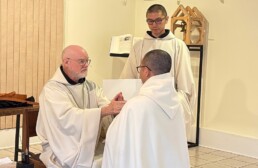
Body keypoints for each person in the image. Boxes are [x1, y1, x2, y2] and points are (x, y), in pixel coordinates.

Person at [36, 45, 126, 168]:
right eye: (81, 61)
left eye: (87, 61)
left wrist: (114, 107)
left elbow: (103, 103)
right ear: (66, 62)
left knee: (119, 153)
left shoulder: (90, 86)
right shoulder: (52, 90)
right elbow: (67, 118)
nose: (86, 65)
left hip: (90, 143)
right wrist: (105, 110)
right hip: (62, 147)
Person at [102, 49, 190, 168]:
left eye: (140, 69)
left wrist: (119, 115)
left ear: (146, 71)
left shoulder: (135, 105)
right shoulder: (178, 101)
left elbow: (117, 141)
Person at [120, 4, 196, 138]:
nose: (154, 25)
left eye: (158, 20)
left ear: (166, 19)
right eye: (150, 21)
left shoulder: (178, 46)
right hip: (143, 102)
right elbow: (128, 76)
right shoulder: (139, 46)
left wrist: (178, 101)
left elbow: (184, 81)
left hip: (167, 102)